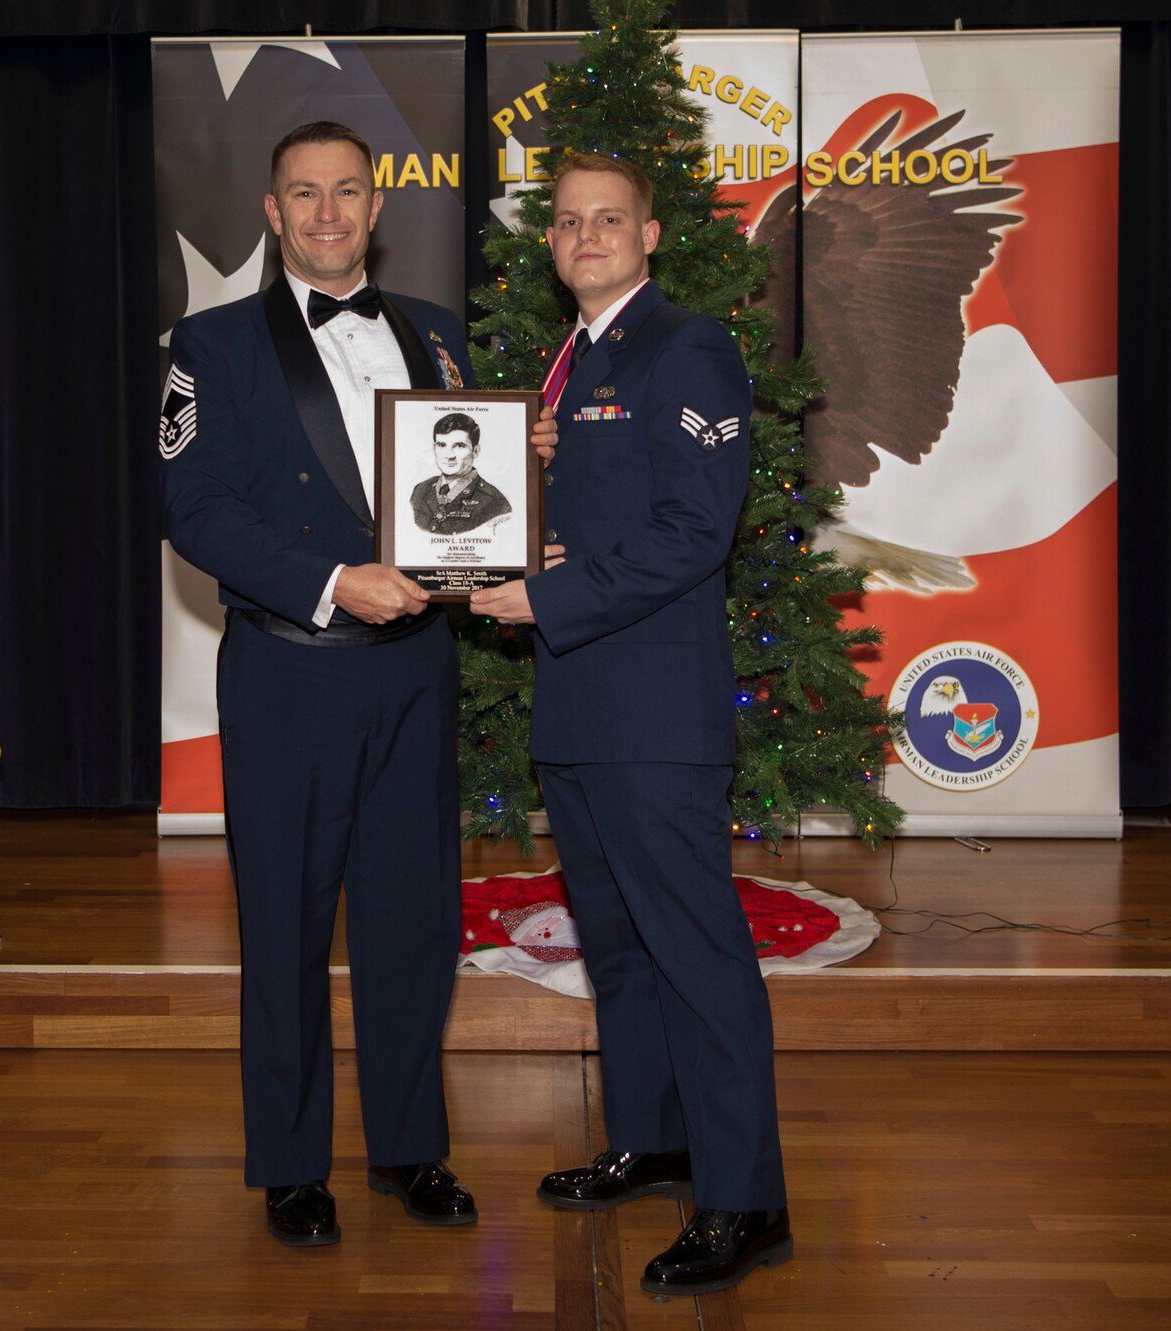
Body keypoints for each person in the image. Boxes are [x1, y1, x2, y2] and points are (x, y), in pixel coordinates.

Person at [159, 121, 553, 1249]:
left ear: (377, 209)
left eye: (347, 192)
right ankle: (289, 1164)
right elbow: (195, 509)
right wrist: (331, 578)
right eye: (304, 194)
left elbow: (458, 492)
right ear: (272, 214)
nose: (328, 212)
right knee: (283, 926)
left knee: (410, 920)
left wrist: (526, 480)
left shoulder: (436, 336)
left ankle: (408, 1147)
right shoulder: (213, 342)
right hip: (292, 669)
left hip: (417, 671)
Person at [469, 152, 792, 1296]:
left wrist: (546, 592)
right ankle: (657, 1138)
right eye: (566, 221)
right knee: (620, 951)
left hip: (653, 713)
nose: (586, 234)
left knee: (695, 953)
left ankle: (743, 1194)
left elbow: (692, 531)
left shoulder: (684, 347)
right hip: (580, 707)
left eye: (609, 218)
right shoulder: (569, 368)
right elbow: (603, 519)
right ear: (549, 245)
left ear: (648, 236)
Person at [409, 412, 512, 535]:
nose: (449, 456)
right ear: (434, 448)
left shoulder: (495, 502)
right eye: (442, 445)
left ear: (475, 451)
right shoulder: (420, 490)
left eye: (459, 446)